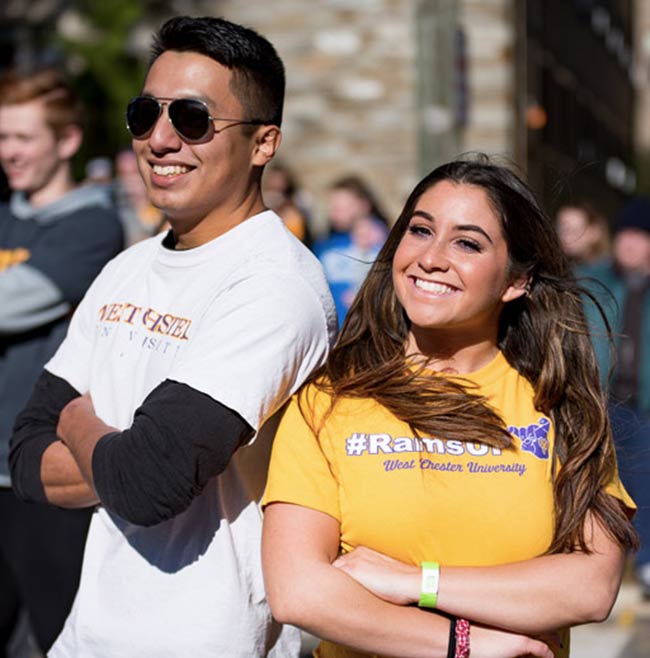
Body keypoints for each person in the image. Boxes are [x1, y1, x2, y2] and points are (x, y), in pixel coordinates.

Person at [9, 16, 336, 658]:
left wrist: (76, 421)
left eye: (192, 118)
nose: (159, 140)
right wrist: (121, 452)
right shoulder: (127, 267)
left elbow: (149, 482)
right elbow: (22, 455)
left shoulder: (274, 286)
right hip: (87, 636)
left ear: (263, 142)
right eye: (144, 114)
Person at [262, 158, 638, 658]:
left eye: (467, 243)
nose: (431, 258)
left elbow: (591, 586)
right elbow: (299, 592)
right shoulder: (329, 402)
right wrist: (466, 643)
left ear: (516, 281)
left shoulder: (561, 405)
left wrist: (416, 582)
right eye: (420, 231)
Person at [0, 67, 123, 656]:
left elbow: (9, 302)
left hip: (43, 473)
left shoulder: (93, 226)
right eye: (2, 137)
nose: (9, 152)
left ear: (68, 141)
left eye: (23, 138)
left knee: (57, 634)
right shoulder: (6, 215)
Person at [578, 196, 650, 598]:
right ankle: (602, 563)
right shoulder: (595, 279)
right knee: (599, 484)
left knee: (645, 484)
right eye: (623, 236)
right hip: (603, 399)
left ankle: (645, 563)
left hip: (645, 404)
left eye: (638, 237)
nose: (628, 244)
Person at [313, 175, 389, 327]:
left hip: (368, 328)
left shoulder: (380, 240)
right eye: (332, 207)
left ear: (364, 205)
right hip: (333, 328)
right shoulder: (325, 245)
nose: (334, 212)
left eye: (341, 207)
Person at [555, 201, 611, 266]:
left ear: (594, 233)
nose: (565, 237)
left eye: (574, 231)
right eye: (561, 229)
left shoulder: (607, 270)